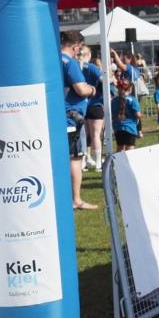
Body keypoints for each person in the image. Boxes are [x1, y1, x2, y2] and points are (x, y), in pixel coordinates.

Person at [62, 31, 99, 210]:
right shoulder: (70, 63)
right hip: (72, 118)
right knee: (75, 159)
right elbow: (81, 89)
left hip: (61, 115)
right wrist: (91, 89)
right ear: (76, 46)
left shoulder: (54, 58)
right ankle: (76, 199)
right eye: (79, 48)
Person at [79, 47, 105, 170]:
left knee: (86, 135)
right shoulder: (91, 67)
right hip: (95, 104)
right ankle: (98, 162)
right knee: (95, 135)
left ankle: (85, 160)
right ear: (89, 54)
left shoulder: (77, 67)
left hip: (83, 105)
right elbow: (103, 80)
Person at [111, 77, 141, 152]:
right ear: (130, 88)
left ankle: (118, 163)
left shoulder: (114, 100)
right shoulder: (132, 100)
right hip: (130, 127)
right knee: (130, 150)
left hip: (117, 127)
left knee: (120, 149)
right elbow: (138, 114)